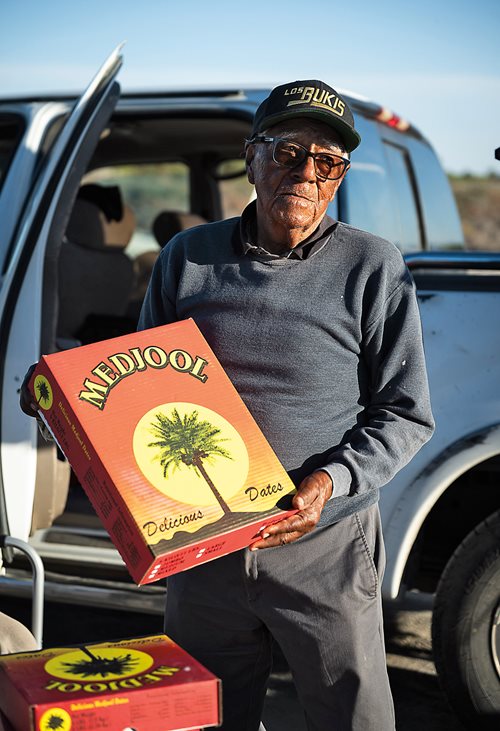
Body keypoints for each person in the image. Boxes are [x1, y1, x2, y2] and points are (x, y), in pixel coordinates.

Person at [21, 80, 434, 730]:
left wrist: (331, 480)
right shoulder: (187, 258)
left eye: (326, 162)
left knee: (356, 718)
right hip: (204, 550)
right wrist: (60, 396)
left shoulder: (374, 267)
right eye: (288, 153)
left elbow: (406, 413)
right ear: (251, 157)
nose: (305, 173)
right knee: (203, 717)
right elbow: (139, 391)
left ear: (340, 176)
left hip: (324, 545)